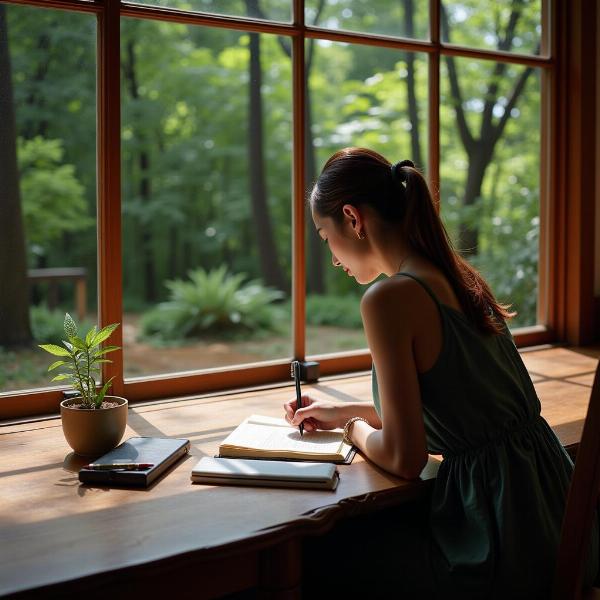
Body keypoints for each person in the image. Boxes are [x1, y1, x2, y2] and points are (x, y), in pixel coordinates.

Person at [283, 147, 598, 598]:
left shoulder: (388, 299)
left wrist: (351, 430)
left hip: (500, 541)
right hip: (560, 521)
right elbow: (459, 405)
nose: (333, 257)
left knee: (320, 555)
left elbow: (405, 459)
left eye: (324, 236)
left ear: (352, 218)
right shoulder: (458, 277)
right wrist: (345, 411)